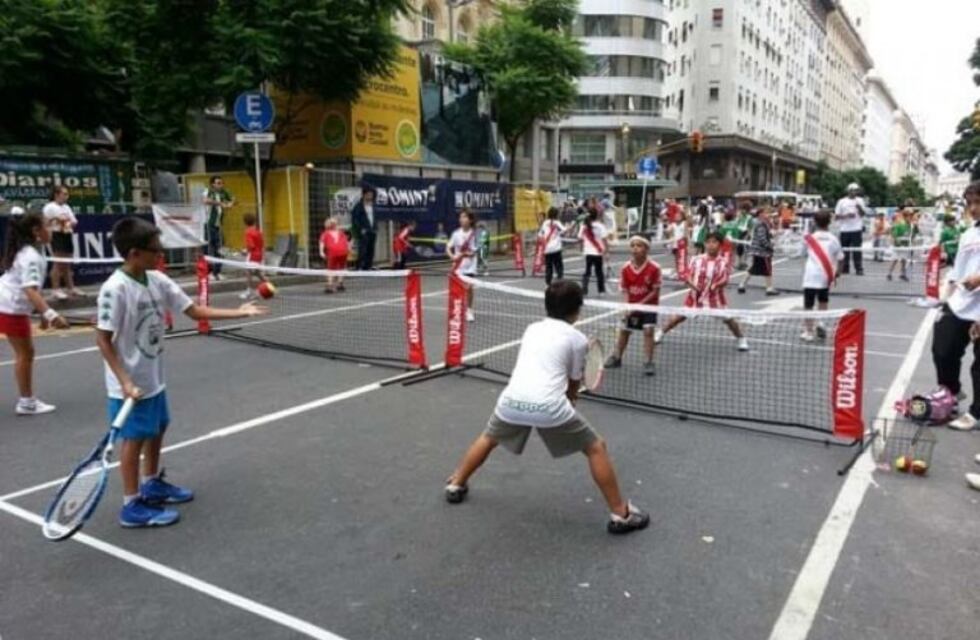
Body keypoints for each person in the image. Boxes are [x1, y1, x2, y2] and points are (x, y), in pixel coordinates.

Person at [95, 217, 266, 528]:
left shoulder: (158, 281)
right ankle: (131, 505)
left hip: (153, 375)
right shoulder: (114, 290)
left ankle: (152, 482)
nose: (160, 255)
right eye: (155, 250)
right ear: (134, 253)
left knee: (159, 426)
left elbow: (194, 311)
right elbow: (103, 340)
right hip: (129, 383)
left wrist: (239, 312)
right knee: (134, 439)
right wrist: (125, 381)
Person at [443, 279, 650, 534]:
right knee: (596, 448)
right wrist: (572, 399)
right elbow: (574, 381)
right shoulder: (577, 339)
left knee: (489, 437)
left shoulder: (532, 329)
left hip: (511, 400)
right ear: (578, 309)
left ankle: (456, 483)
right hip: (549, 406)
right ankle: (621, 514)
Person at [0, 211, 69, 415]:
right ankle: (27, 402)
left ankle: (27, 400)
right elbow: (29, 290)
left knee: (26, 353)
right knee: (25, 354)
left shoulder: (28, 252)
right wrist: (52, 315)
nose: (51, 230)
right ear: (36, 231)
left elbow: (33, 290)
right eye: (48, 225)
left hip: (9, 305)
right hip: (9, 307)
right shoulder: (30, 256)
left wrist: (42, 315)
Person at [932, 181, 980, 433]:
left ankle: (977, 413)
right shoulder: (969, 234)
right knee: (942, 349)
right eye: (970, 203)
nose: (973, 208)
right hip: (960, 302)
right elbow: (957, 272)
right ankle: (950, 395)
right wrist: (945, 300)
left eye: (977, 202)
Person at [658, 232, 749, 351]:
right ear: (705, 244)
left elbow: (725, 280)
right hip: (695, 298)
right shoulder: (696, 259)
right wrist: (691, 283)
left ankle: (741, 339)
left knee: (729, 321)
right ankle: (660, 332)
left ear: (720, 245)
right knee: (677, 318)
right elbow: (688, 275)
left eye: (714, 242)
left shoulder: (723, 262)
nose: (711, 245)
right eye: (708, 242)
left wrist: (716, 285)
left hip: (715, 300)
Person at [604, 236, 661, 376]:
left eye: (639, 245)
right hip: (632, 305)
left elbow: (655, 292)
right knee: (624, 331)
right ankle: (617, 357)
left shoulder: (654, 268)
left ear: (646, 249)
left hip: (649, 306)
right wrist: (627, 306)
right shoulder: (625, 268)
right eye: (633, 245)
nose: (635, 248)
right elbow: (625, 290)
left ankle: (648, 362)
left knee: (648, 332)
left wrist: (639, 306)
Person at [800, 211, 843, 342]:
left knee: (808, 304)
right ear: (829, 222)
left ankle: (808, 331)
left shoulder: (809, 238)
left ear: (815, 222)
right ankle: (821, 322)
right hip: (825, 275)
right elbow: (841, 258)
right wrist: (838, 272)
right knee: (823, 301)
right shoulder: (833, 239)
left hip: (810, 275)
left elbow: (802, 253)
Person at [43, 186, 82, 299]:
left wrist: (67, 222)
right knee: (58, 263)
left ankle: (71, 288)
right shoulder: (49, 207)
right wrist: (56, 220)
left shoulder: (67, 207)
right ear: (56, 194)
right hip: (55, 235)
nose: (66, 196)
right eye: (64, 194)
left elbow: (74, 221)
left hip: (67, 234)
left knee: (67, 263)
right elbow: (45, 224)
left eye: (67, 194)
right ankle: (55, 290)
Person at [448, 209, 479, 322]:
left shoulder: (474, 234)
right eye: (460, 217)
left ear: (470, 220)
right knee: (458, 290)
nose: (461, 219)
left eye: (464, 217)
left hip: (470, 266)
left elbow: (473, 253)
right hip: (458, 267)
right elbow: (448, 247)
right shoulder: (456, 234)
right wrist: (452, 256)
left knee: (469, 288)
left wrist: (463, 254)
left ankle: (469, 310)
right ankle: (457, 310)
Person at [738, 207, 778, 295]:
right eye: (765, 213)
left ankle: (742, 285)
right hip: (762, 251)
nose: (767, 215)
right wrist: (770, 246)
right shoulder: (761, 224)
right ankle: (769, 288)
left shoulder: (758, 223)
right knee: (767, 269)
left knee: (753, 269)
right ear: (760, 214)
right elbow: (762, 238)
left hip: (757, 250)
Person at [202, 176, 235, 281]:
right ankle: (208, 272)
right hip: (209, 225)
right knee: (208, 248)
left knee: (220, 248)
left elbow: (233, 198)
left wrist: (230, 204)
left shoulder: (223, 192)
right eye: (218, 183)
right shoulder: (209, 191)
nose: (221, 185)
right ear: (213, 184)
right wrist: (221, 203)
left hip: (218, 226)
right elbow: (205, 200)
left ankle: (216, 272)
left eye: (221, 183)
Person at [835, 182, 867, 275]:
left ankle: (859, 268)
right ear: (848, 191)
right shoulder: (841, 201)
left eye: (856, 191)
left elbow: (863, 214)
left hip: (856, 228)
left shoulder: (860, 200)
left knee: (857, 250)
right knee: (845, 249)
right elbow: (836, 216)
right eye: (852, 190)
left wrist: (859, 207)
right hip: (845, 229)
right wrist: (846, 215)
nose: (854, 192)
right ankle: (845, 267)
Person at [578, 208, 608, 296]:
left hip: (588, 252)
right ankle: (601, 291)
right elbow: (605, 240)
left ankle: (584, 289)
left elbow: (580, 238)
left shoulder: (584, 226)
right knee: (599, 272)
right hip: (598, 252)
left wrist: (581, 249)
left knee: (587, 271)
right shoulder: (600, 226)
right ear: (597, 215)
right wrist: (606, 251)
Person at [240, 213, 268, 300]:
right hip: (259, 255)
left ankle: (249, 291)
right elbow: (262, 244)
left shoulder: (248, 232)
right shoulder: (258, 232)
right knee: (257, 272)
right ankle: (269, 285)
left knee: (248, 272)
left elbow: (251, 246)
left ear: (245, 222)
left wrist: (244, 251)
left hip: (252, 255)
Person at [319, 217, 350, 294]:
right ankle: (340, 283)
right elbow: (347, 242)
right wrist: (348, 249)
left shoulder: (325, 233)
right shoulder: (341, 232)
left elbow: (321, 243)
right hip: (343, 252)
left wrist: (321, 252)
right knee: (342, 268)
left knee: (331, 269)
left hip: (333, 252)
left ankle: (330, 285)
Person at [351, 186, 378, 270]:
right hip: (364, 230)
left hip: (372, 230)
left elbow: (375, 217)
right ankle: (359, 266)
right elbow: (355, 219)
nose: (370, 196)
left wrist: (376, 227)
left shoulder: (373, 205)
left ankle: (368, 266)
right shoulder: (358, 206)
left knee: (371, 249)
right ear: (364, 195)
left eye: (371, 195)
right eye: (368, 194)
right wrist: (360, 229)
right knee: (363, 249)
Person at [538, 207, 566, 285]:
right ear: (556, 214)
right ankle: (560, 280)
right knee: (559, 266)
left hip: (547, 249)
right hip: (556, 248)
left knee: (549, 267)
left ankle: (548, 282)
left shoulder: (545, 223)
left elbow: (540, 235)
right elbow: (564, 230)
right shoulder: (557, 222)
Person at [887, 208, 913, 282]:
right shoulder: (900, 224)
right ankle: (889, 273)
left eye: (911, 216)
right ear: (905, 217)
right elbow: (894, 234)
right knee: (894, 260)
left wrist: (909, 243)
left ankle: (902, 274)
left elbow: (909, 236)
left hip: (905, 246)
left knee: (904, 260)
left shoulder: (910, 225)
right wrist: (897, 242)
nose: (911, 218)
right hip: (898, 246)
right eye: (909, 216)